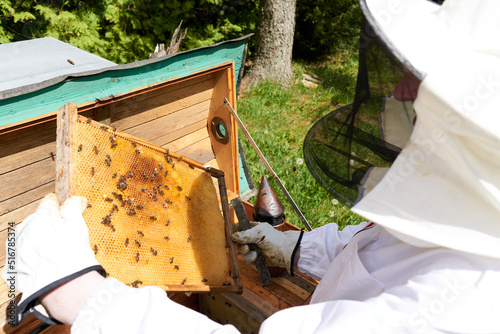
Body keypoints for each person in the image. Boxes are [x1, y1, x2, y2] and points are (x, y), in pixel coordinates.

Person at [4, 0, 500, 332]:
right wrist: (299, 246)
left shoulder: (464, 305)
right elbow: (382, 251)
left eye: (422, 79)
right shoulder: (470, 217)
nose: (399, 87)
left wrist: (84, 296)